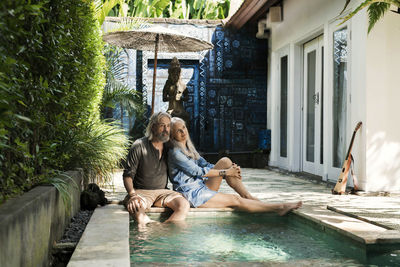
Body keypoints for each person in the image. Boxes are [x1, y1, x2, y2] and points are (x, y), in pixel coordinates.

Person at [168, 117, 302, 215]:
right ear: (172, 134)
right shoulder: (175, 153)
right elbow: (198, 171)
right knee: (235, 200)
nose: (183, 132)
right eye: (178, 130)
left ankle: (248, 196)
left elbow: (206, 164)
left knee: (225, 161)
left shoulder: (188, 148)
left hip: (201, 187)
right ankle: (279, 208)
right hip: (192, 195)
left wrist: (229, 169)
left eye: (184, 128)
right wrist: (226, 173)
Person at [122, 112, 190, 227]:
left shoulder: (170, 147)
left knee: (183, 205)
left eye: (168, 126)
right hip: (141, 192)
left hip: (163, 192)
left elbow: (188, 160)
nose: (166, 129)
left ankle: (164, 230)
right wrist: (132, 195)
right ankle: (148, 230)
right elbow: (127, 175)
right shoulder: (139, 145)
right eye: (162, 125)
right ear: (153, 126)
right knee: (136, 207)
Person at [162, 57, 190, 125]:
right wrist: (172, 97)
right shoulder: (167, 85)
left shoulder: (183, 85)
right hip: (171, 110)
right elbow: (164, 98)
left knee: (186, 119)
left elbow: (187, 97)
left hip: (181, 110)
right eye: (173, 74)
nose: (175, 76)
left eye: (177, 74)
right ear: (170, 74)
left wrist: (180, 98)